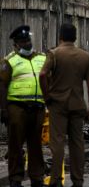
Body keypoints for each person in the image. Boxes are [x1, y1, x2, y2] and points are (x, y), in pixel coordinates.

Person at [39, 23, 89, 187]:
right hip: (78, 105)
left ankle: (56, 180)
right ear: (76, 37)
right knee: (77, 144)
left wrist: (47, 97)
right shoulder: (85, 56)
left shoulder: (54, 54)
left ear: (60, 36)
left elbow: (43, 74)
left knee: (57, 143)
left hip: (58, 105)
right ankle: (78, 180)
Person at [0, 25, 46, 187]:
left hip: (38, 108)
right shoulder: (9, 61)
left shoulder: (41, 58)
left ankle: (37, 179)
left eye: (28, 40)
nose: (27, 44)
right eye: (22, 41)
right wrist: (3, 109)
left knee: (36, 147)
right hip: (17, 109)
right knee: (15, 147)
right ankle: (16, 179)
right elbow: (2, 86)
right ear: (16, 44)